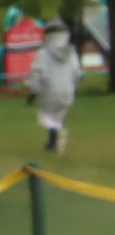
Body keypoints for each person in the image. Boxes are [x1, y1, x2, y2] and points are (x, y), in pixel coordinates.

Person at [38, 14, 81, 158]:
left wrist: (33, 89)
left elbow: (38, 72)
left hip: (50, 91)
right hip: (68, 92)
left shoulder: (44, 53)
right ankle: (53, 143)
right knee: (58, 118)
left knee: (44, 118)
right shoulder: (72, 53)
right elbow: (76, 73)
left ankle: (56, 134)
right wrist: (74, 87)